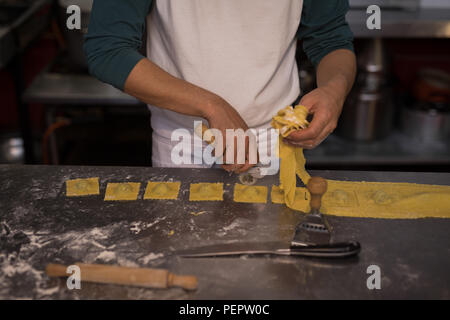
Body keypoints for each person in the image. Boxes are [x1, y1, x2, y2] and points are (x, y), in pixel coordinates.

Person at [84, 0, 356, 173]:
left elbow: (330, 38)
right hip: (183, 145)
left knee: (273, 257)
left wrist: (335, 90)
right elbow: (109, 50)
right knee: (182, 260)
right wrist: (212, 106)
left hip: (274, 142)